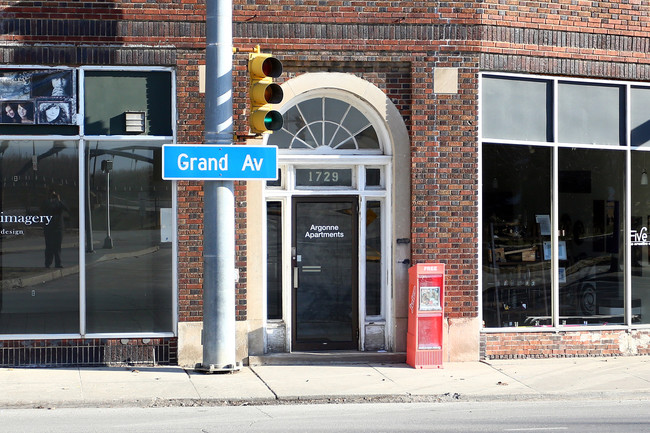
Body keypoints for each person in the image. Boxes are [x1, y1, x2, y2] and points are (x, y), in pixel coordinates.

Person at [42, 190, 69, 268]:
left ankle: (58, 263)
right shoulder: (46, 202)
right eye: (51, 195)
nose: (53, 197)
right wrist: (49, 200)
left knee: (57, 246)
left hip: (58, 227)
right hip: (49, 227)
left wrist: (59, 200)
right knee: (49, 246)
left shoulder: (60, 203)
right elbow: (43, 209)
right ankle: (48, 263)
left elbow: (66, 208)